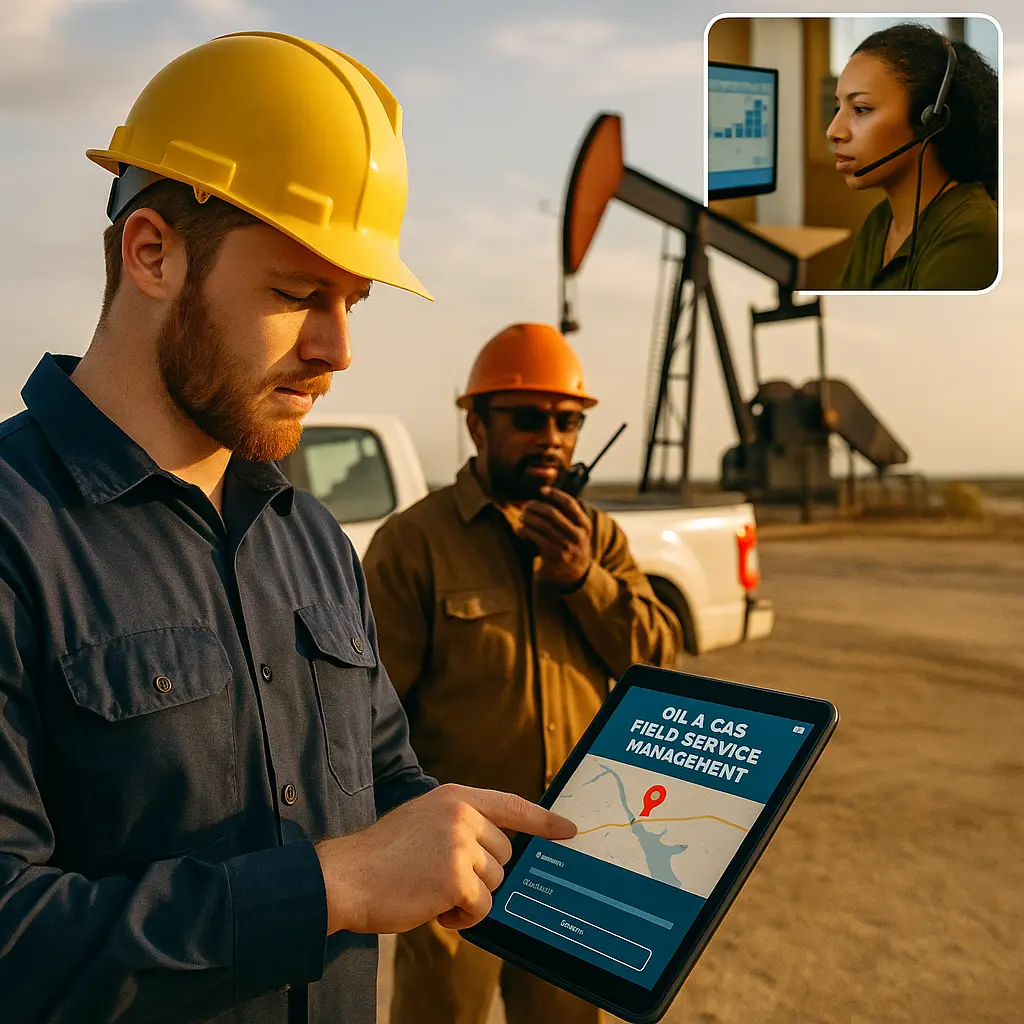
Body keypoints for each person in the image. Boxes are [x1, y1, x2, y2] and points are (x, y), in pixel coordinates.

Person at [0, 33, 576, 1024]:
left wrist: (477, 838)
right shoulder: (18, 538)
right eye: (297, 293)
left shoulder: (306, 534)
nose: (338, 347)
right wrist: (331, 886)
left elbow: (383, 771)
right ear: (152, 253)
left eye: (351, 300)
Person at [362, 323, 684, 1024]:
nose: (552, 439)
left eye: (567, 422)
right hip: (458, 855)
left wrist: (583, 580)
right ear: (476, 424)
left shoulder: (595, 539)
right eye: (528, 419)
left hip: (577, 852)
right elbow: (367, 714)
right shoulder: (413, 546)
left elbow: (660, 660)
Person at [827, 23, 998, 291]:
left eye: (860, 109)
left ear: (930, 120)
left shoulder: (972, 234)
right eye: (839, 108)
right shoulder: (880, 221)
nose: (833, 131)